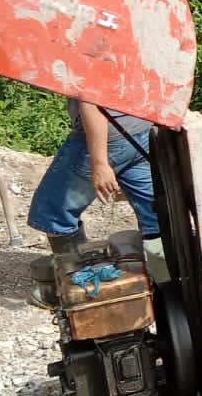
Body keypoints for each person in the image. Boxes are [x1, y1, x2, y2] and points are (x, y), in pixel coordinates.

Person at [25, 98, 161, 307]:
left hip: (109, 136)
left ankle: (75, 291)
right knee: (155, 213)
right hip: (140, 128)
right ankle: (165, 283)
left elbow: (91, 99)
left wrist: (99, 164)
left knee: (52, 211)